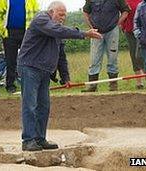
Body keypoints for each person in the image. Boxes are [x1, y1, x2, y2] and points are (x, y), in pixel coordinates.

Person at [17, 1, 102, 151]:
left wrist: (66, 77)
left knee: (44, 106)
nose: (63, 18)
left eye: (65, 15)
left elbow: (61, 56)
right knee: (30, 105)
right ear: (51, 12)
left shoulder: (58, 30)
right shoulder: (41, 19)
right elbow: (57, 30)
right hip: (30, 67)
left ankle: (39, 138)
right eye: (60, 14)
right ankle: (28, 140)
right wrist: (84, 34)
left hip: (44, 71)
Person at [82, 0, 130, 92]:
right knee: (94, 58)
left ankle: (113, 85)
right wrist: (91, 27)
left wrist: (118, 23)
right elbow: (85, 12)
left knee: (113, 58)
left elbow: (126, 10)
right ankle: (92, 86)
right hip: (96, 32)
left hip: (112, 31)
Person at [0, 0, 40, 93]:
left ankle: (29, 83)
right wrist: (2, 31)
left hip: (27, 32)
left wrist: (34, 31)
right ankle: (10, 85)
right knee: (10, 60)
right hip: (10, 33)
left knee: (29, 60)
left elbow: (37, 14)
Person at [120, 0, 144, 89]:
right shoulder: (125, 1)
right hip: (130, 31)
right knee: (134, 56)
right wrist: (122, 25)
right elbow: (123, 12)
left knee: (142, 55)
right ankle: (139, 82)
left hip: (143, 31)